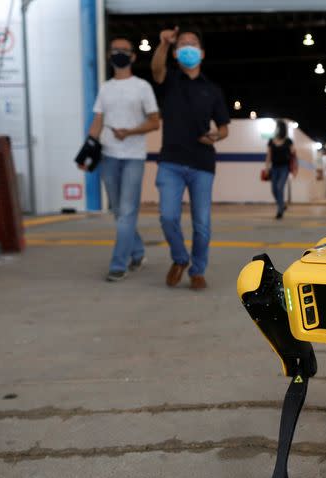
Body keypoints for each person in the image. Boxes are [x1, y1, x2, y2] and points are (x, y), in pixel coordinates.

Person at [151, 26, 230, 291]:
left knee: (202, 224)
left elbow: (224, 127)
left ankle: (198, 270)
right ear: (176, 54)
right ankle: (180, 258)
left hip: (202, 164)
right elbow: (156, 71)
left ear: (201, 52)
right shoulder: (170, 80)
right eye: (182, 43)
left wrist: (215, 137)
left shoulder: (213, 89)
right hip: (170, 161)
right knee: (168, 217)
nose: (187, 46)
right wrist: (163, 44)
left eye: (192, 42)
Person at [80, 38, 159, 282]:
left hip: (133, 156)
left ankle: (118, 264)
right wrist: (86, 152)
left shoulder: (143, 87)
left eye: (124, 50)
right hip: (108, 155)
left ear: (133, 56)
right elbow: (97, 121)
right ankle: (137, 252)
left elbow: (155, 121)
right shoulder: (105, 88)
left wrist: (130, 131)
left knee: (126, 211)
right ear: (109, 55)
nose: (119, 54)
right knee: (119, 212)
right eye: (115, 50)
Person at [265, 120, 297, 219]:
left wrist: (295, 168)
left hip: (284, 168)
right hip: (274, 168)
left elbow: (294, 155)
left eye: (277, 127)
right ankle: (282, 204)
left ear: (282, 129)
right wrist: (266, 168)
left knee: (280, 187)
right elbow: (269, 155)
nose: (276, 129)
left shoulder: (288, 141)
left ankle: (280, 211)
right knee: (274, 189)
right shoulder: (271, 141)